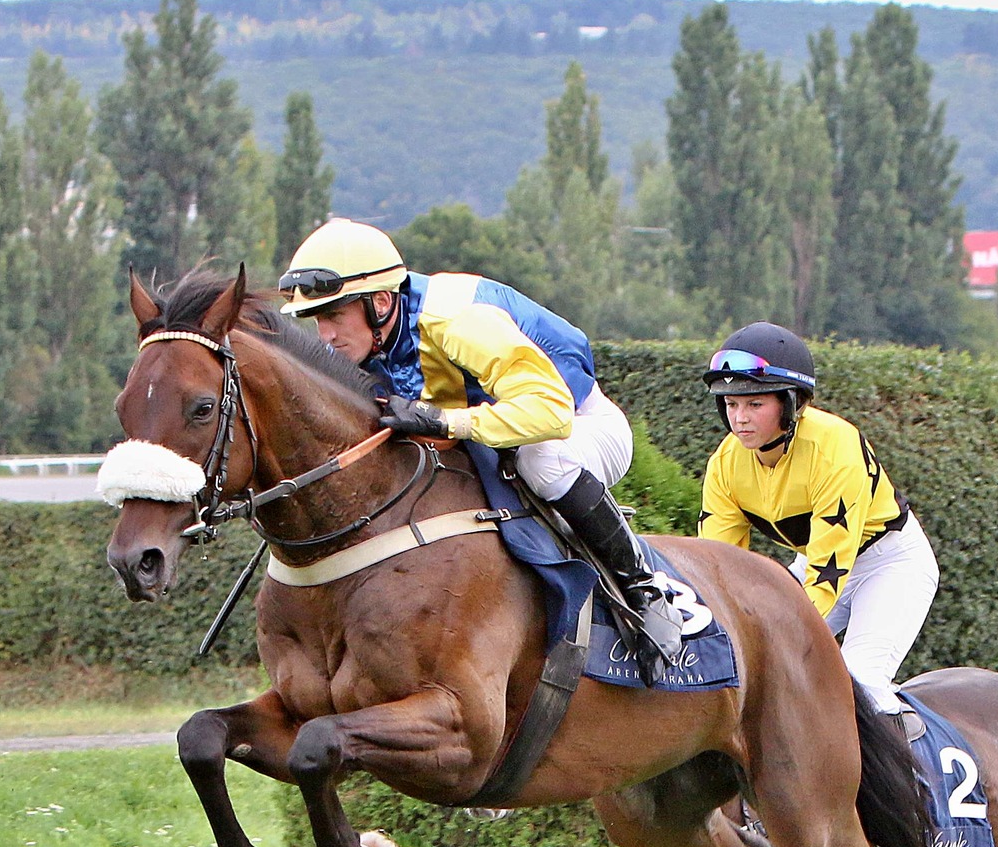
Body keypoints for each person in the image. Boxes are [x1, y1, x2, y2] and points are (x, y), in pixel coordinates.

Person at [276, 218, 686, 672]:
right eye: (317, 320)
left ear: (380, 302)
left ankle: (644, 590)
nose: (325, 335)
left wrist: (447, 422)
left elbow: (549, 414)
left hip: (578, 427)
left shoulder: (456, 321)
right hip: (494, 441)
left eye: (334, 315)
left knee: (540, 459)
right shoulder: (374, 342)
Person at [696, 323, 940, 736]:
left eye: (755, 404)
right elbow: (716, 566)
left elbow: (829, 568)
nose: (740, 419)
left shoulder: (836, 445)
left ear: (791, 404)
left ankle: (912, 786)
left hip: (889, 565)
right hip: (815, 565)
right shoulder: (725, 464)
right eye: (731, 404)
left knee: (857, 684)